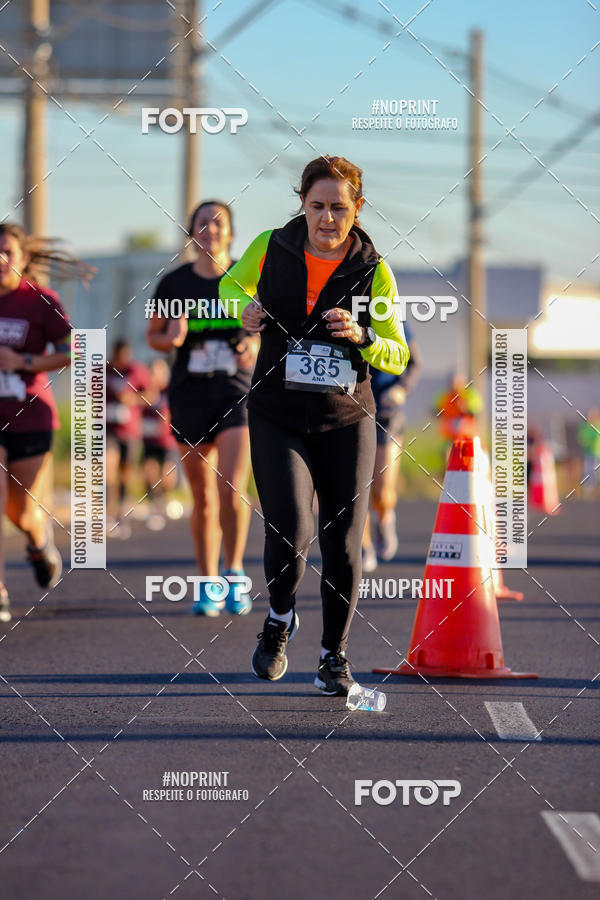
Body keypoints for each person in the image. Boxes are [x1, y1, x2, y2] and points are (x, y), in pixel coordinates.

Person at [219, 155, 410, 696]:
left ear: (358, 209)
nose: (327, 219)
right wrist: (245, 311)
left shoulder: (375, 269)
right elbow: (230, 290)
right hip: (278, 411)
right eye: (317, 206)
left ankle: (333, 655)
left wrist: (363, 335)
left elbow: (396, 354)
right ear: (301, 203)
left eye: (339, 208)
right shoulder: (270, 246)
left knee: (344, 542)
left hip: (347, 416)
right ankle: (279, 619)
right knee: (290, 530)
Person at [147, 200, 258, 616]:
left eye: (218, 224)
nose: (210, 231)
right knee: (204, 497)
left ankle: (235, 572)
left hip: (236, 391)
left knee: (232, 487)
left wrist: (253, 344)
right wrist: (171, 338)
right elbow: (153, 335)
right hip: (189, 394)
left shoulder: (247, 279)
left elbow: (269, 331)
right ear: (191, 233)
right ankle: (208, 579)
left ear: (231, 232)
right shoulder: (175, 284)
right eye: (201, 224)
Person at [0, 222, 88, 623]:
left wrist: (25, 362)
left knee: (20, 511)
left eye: (8, 253)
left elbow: (75, 350)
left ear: (23, 258)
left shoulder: (39, 300)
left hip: (30, 415)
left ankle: (38, 543)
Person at [362, 327, 421, 572]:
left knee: (381, 490)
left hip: (386, 411)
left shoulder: (392, 313)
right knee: (355, 489)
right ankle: (364, 546)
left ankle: (384, 516)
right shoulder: (341, 306)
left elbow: (415, 362)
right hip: (352, 408)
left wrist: (401, 389)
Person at [106, 339, 151, 539]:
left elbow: (151, 393)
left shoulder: (137, 370)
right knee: (107, 466)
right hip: (107, 428)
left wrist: (132, 399)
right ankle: (107, 514)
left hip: (130, 430)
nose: (122, 361)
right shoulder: (103, 370)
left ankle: (120, 513)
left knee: (125, 472)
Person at [140, 357, 178, 530]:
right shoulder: (146, 391)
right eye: (153, 372)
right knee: (149, 471)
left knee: (167, 475)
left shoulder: (171, 390)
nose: (155, 376)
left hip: (168, 440)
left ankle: (165, 497)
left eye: (159, 372)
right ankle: (155, 504)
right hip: (149, 439)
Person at [433, 372, 482, 443]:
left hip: (467, 434)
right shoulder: (445, 396)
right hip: (450, 435)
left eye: (457, 382)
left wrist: (466, 408)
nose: (454, 385)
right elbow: (436, 410)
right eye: (452, 382)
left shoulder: (469, 394)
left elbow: (476, 409)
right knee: (448, 450)